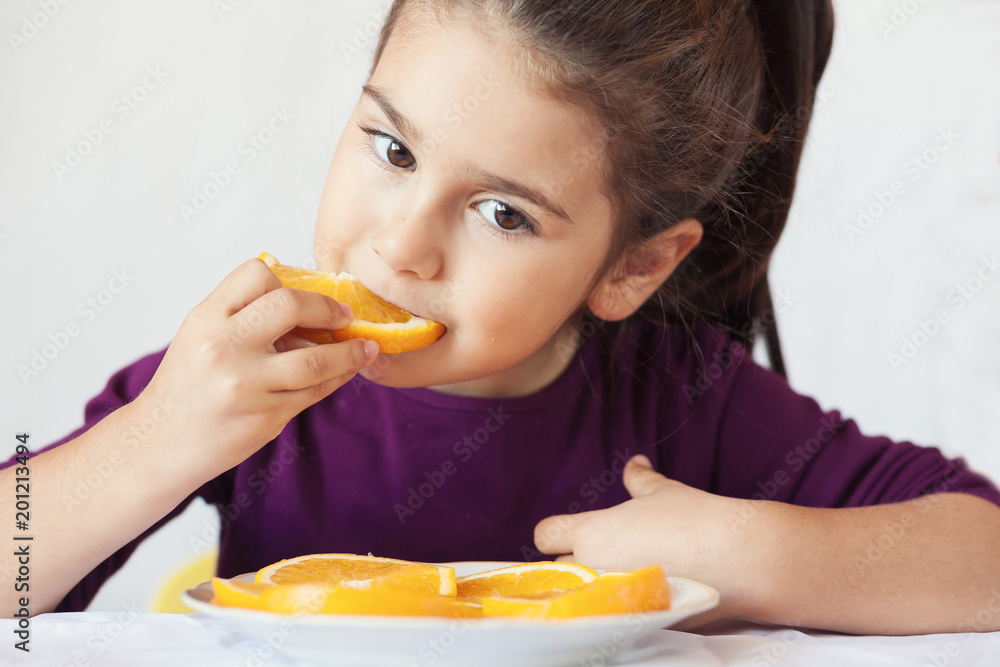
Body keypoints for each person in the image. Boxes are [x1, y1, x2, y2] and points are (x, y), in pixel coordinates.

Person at [3, 0, 1000, 635]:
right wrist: (151, 441)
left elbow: (984, 556)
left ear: (635, 266)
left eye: (502, 213)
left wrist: (752, 556)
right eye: (393, 150)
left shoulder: (683, 397)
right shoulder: (246, 374)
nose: (401, 245)